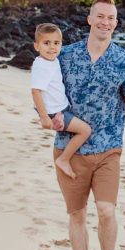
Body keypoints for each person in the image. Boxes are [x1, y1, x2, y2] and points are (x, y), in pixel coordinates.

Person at [53, 0, 125, 250]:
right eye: (101, 17)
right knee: (77, 214)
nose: (106, 22)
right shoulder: (64, 56)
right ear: (90, 19)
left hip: (109, 149)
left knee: (107, 211)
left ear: (116, 23)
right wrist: (50, 118)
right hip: (68, 149)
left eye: (112, 18)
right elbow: (45, 94)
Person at [30, 22, 92, 178]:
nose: (52, 47)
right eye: (46, 43)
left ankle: (59, 128)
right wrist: (44, 118)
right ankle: (63, 159)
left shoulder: (52, 60)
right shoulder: (42, 66)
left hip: (60, 108)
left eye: (56, 43)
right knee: (85, 130)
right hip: (52, 112)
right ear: (36, 46)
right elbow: (36, 91)